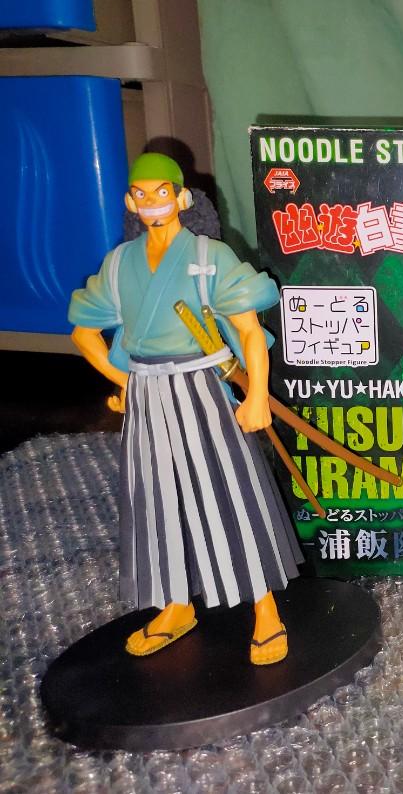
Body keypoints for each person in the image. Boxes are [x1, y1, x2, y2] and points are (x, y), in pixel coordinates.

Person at [69, 153, 303, 664]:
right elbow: (84, 332)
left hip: (202, 386)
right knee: (154, 500)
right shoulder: (119, 264)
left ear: (181, 198)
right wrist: (125, 380)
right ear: (130, 201)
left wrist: (257, 396)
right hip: (147, 395)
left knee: (230, 495)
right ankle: (176, 606)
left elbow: (248, 331)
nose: (152, 202)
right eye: (141, 194)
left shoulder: (208, 255)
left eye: (162, 192)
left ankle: (265, 609)